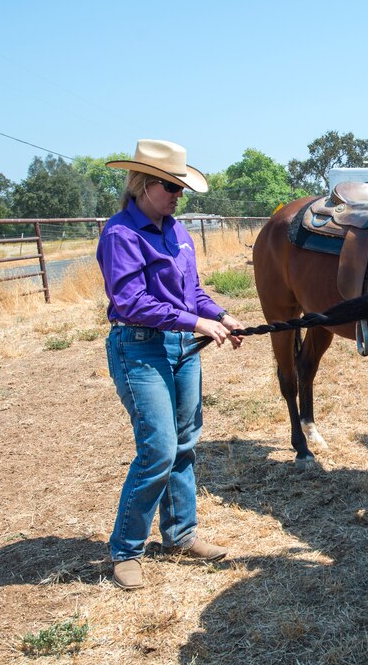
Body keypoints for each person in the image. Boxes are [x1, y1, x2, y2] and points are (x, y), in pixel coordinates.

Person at [97, 139, 246, 590]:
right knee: (158, 448)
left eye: (181, 188)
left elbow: (192, 292)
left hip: (181, 347)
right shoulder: (121, 234)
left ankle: (180, 535)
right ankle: (126, 549)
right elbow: (132, 302)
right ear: (142, 184)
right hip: (140, 348)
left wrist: (219, 314)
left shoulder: (177, 231)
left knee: (184, 442)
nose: (177, 195)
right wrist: (196, 321)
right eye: (169, 186)